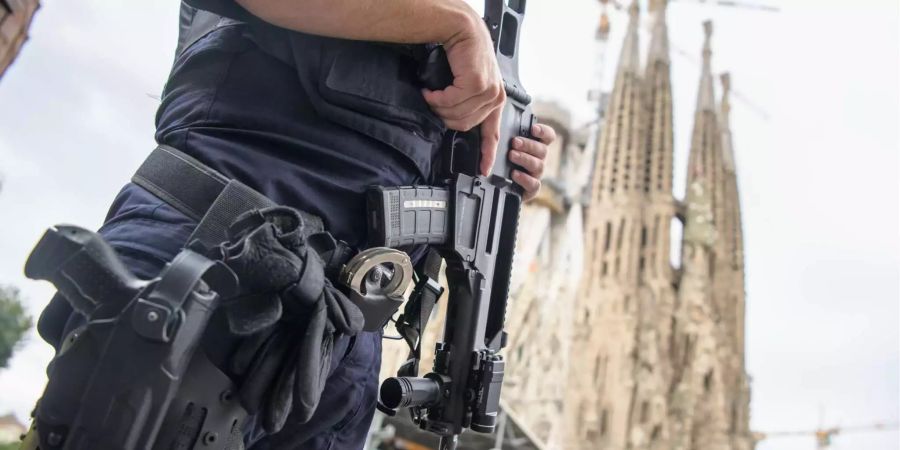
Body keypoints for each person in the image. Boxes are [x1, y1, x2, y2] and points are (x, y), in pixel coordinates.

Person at [35, 1, 557, 449]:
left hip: (341, 342)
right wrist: (452, 24)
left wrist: (487, 160)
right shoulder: (455, 20)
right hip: (220, 262)